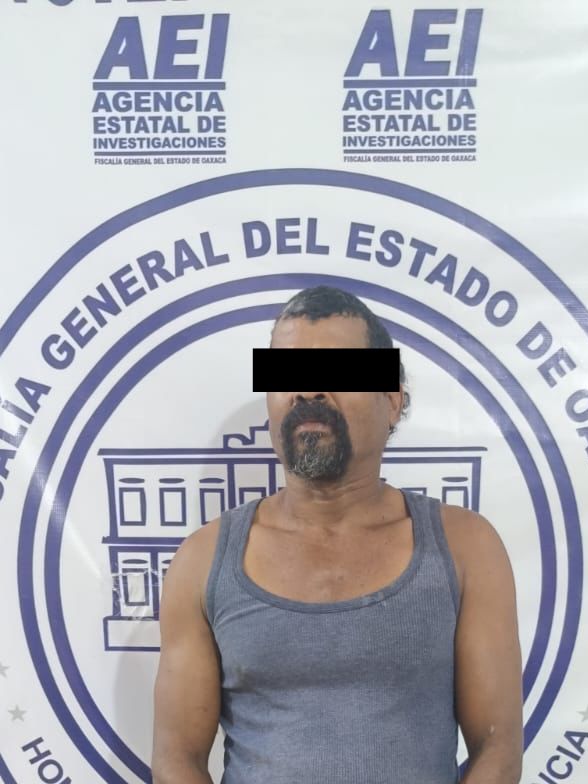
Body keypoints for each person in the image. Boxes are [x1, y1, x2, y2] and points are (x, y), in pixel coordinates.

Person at [152, 285, 523, 784]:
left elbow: (498, 752)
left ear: (391, 401)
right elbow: (176, 761)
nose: (308, 391)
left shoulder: (467, 549)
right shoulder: (202, 561)